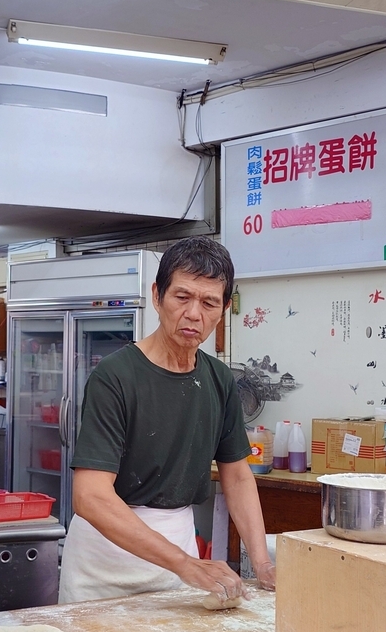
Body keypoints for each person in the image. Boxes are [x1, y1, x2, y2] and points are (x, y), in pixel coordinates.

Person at [59, 237, 274, 604]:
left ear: (223, 310)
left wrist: (263, 563)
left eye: (209, 302)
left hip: (176, 551)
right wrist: (185, 564)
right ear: (158, 296)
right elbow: (90, 497)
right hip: (104, 560)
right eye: (182, 297)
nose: (194, 314)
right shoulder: (116, 376)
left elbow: (237, 476)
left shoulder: (220, 381)